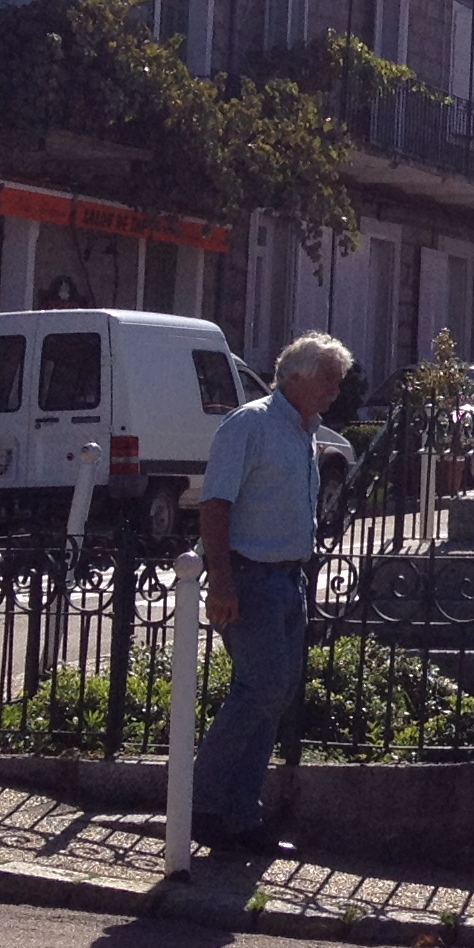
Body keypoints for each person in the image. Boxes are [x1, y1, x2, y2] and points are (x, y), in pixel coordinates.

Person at [190, 331, 349, 856]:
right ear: (297, 376)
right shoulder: (252, 423)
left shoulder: (304, 430)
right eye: (329, 379)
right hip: (250, 577)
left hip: (287, 579)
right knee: (261, 690)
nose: (335, 390)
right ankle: (202, 804)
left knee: (271, 696)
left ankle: (238, 817)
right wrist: (222, 582)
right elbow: (215, 504)